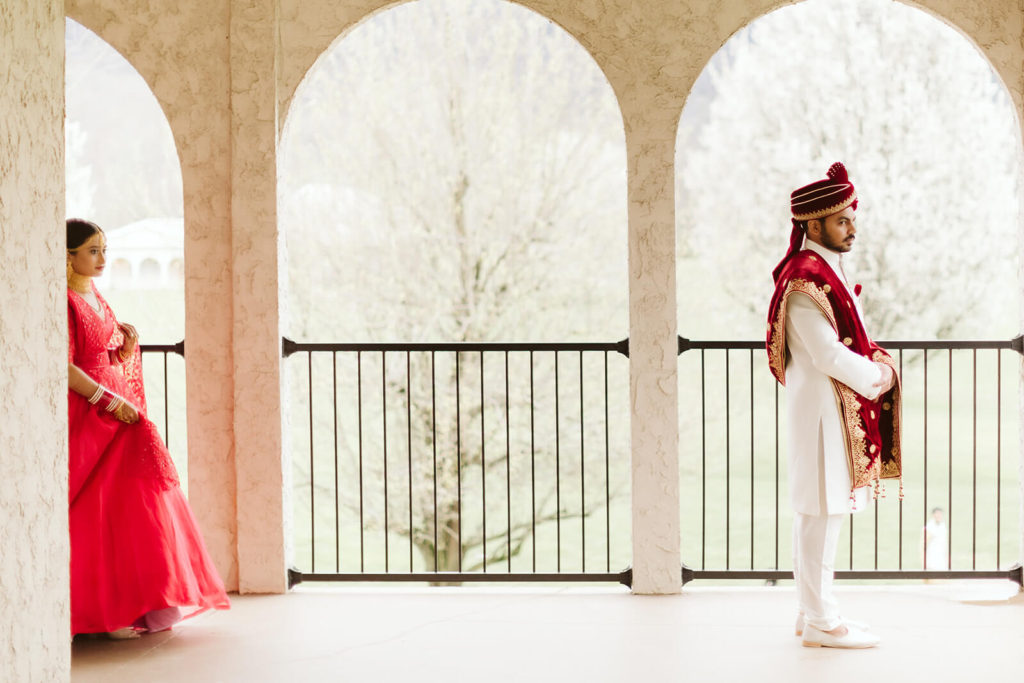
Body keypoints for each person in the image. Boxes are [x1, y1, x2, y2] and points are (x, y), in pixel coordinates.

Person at [67, 218, 229, 639]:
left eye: (104, 248)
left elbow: (99, 355)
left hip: (118, 404)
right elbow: (64, 365)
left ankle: (143, 604)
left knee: (134, 504)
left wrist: (123, 352)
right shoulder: (63, 300)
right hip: (92, 411)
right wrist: (108, 401)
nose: (103, 258)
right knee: (97, 507)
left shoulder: (94, 291)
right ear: (68, 256)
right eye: (93, 251)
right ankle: (105, 610)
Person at [765, 163, 903, 649]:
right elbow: (827, 353)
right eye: (843, 220)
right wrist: (879, 377)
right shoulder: (806, 279)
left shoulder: (823, 270)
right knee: (821, 516)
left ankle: (814, 612)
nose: (853, 228)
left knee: (820, 515)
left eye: (851, 218)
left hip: (826, 411)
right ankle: (823, 623)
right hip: (824, 415)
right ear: (813, 223)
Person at [924, 507, 948, 571]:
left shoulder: (942, 525)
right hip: (932, 553)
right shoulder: (930, 526)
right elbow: (925, 542)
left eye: (940, 514)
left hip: (942, 553)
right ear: (933, 515)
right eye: (937, 514)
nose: (938, 516)